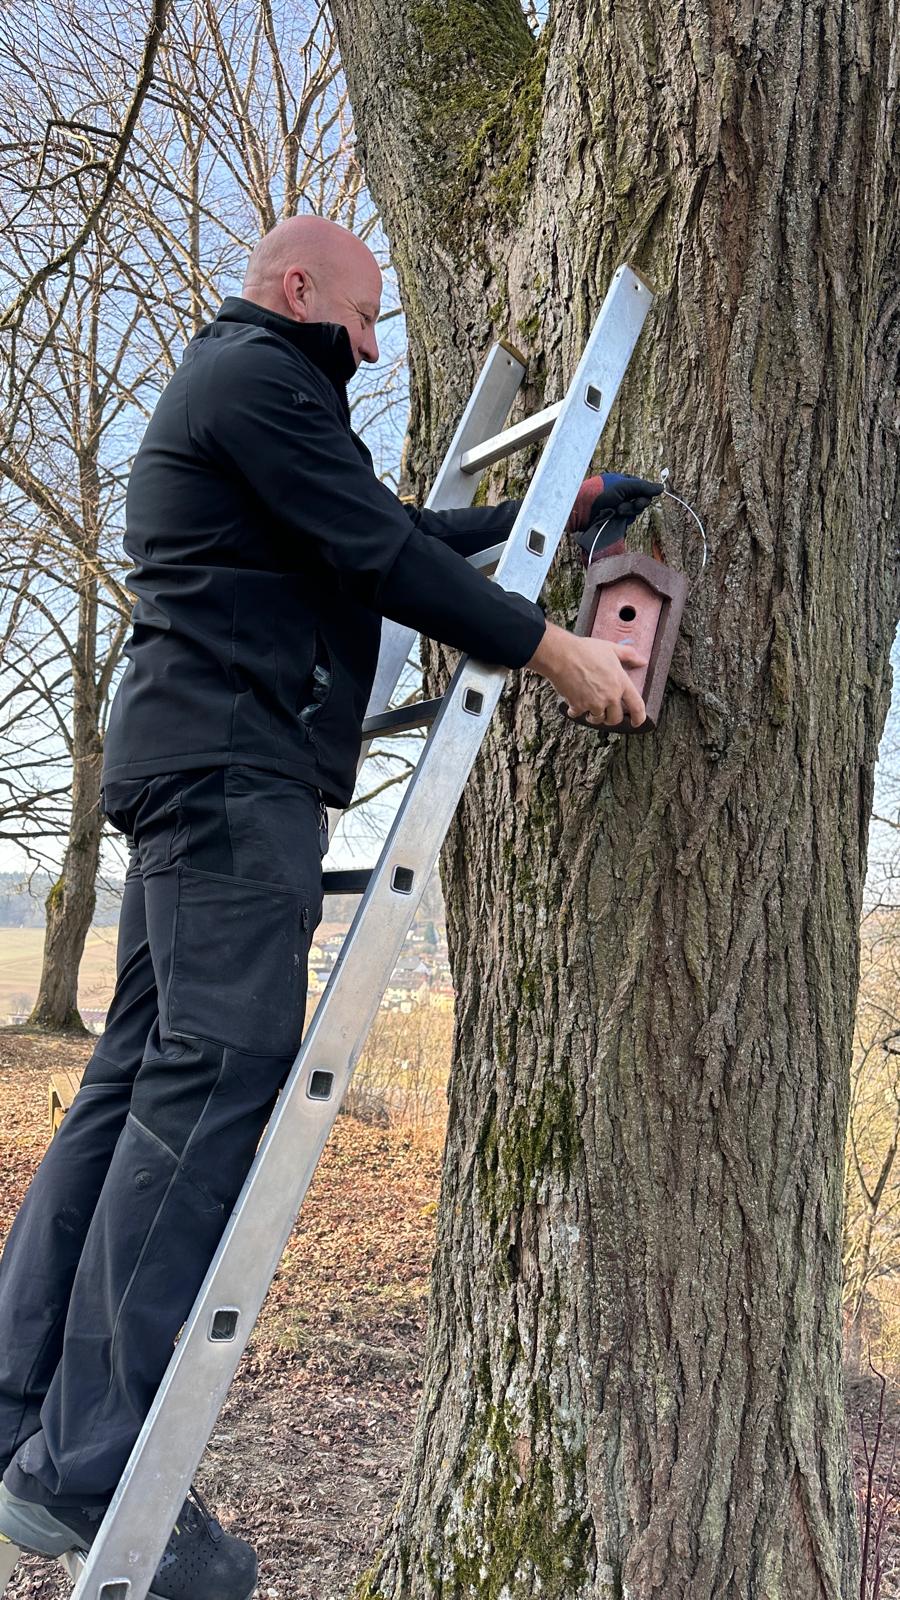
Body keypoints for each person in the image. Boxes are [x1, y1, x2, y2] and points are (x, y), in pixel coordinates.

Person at [0, 216, 657, 1598]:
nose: (369, 348)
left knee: (131, 1085)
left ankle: (22, 1417)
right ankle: (91, 1465)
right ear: (296, 290)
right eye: (362, 321)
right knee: (215, 1077)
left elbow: (392, 533)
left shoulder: (248, 394)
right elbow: (377, 556)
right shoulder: (258, 379)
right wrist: (551, 652)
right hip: (234, 778)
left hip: (200, 765)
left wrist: (562, 512)